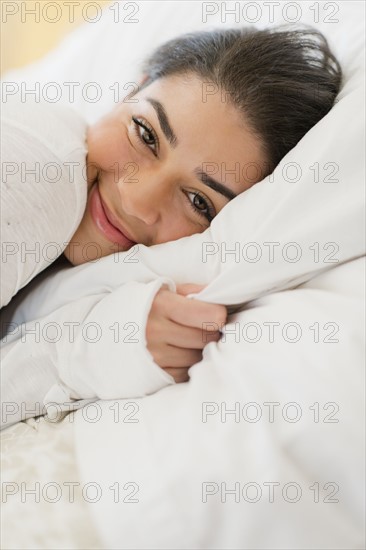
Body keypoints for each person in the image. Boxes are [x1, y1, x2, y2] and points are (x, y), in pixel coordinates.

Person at [1, 25, 342, 392]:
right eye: (146, 135)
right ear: (131, 91)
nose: (137, 200)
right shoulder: (39, 171)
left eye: (198, 202)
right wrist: (80, 353)